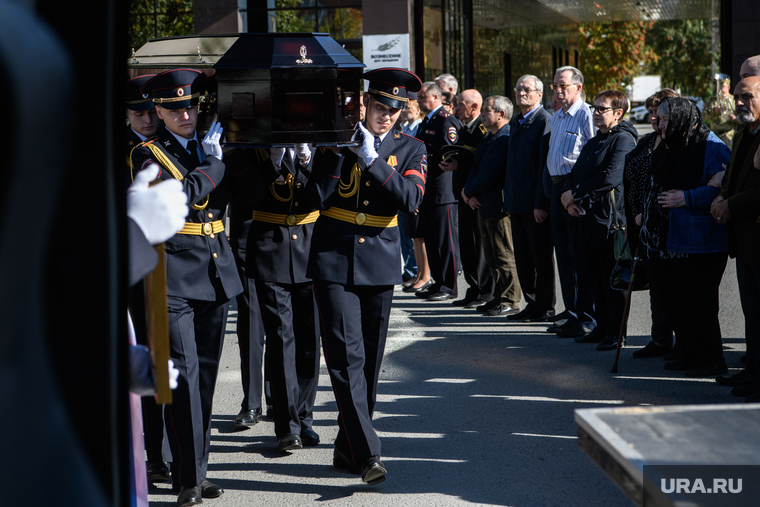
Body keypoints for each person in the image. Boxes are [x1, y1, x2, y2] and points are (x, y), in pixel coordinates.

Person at [306, 67, 426, 485]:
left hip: (378, 259)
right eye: (379, 107)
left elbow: (410, 198)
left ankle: (347, 445)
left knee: (370, 363)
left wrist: (373, 160)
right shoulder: (338, 141)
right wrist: (340, 150)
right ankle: (369, 452)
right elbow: (313, 197)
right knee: (345, 358)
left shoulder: (411, 148)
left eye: (394, 110)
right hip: (332, 256)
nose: (386, 116)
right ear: (366, 104)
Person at [130, 68, 243, 506]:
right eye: (175, 108)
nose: (185, 114)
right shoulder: (148, 153)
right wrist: (215, 164)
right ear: (158, 111)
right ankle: (186, 479)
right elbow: (180, 196)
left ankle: (198, 468)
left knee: (207, 377)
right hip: (173, 275)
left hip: (215, 270)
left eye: (191, 106)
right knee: (183, 376)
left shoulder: (209, 146)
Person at [236, 143, 322, 451]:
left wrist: (307, 158)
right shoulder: (252, 147)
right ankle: (288, 425)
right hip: (269, 248)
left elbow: (323, 194)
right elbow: (250, 196)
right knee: (280, 337)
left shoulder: (319, 145)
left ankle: (305, 417)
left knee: (310, 340)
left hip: (311, 248)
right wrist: (272, 160)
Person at [637, 97, 731, 377]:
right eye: (659, 119)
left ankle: (710, 359)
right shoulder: (671, 144)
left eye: (666, 119)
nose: (660, 125)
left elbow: (723, 188)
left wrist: (686, 198)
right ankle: (690, 352)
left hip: (700, 242)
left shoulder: (709, 145)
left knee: (700, 304)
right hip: (668, 242)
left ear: (681, 119)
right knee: (678, 302)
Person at [560, 90, 637, 350]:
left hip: (610, 221)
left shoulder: (623, 140)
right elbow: (577, 171)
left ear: (618, 112)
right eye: (594, 107)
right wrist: (572, 200)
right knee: (595, 277)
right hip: (587, 217)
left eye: (601, 109)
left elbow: (611, 177)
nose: (595, 112)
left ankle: (616, 332)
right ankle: (602, 326)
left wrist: (577, 194)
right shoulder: (595, 140)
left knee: (612, 279)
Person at [711, 76, 760, 398]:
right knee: (752, 310)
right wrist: (720, 197)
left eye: (747, 96)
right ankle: (753, 370)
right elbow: (733, 174)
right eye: (738, 97)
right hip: (744, 240)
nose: (740, 103)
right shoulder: (744, 134)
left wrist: (731, 204)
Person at [624, 88, 681, 360]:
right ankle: (660, 339)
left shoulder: (679, 144)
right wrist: (636, 212)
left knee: (676, 288)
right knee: (655, 286)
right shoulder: (647, 142)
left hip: (669, 226)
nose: (655, 119)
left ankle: (683, 341)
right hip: (642, 224)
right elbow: (634, 180)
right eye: (651, 113)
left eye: (660, 113)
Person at [545, 66, 596, 338]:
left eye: (563, 85)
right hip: (555, 189)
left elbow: (591, 159)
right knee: (563, 254)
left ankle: (587, 316)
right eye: (555, 85)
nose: (558, 90)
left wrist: (576, 193)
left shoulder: (586, 115)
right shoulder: (557, 117)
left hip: (573, 189)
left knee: (579, 256)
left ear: (578, 87)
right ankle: (573, 312)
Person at [461, 96, 521, 316]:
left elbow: (490, 174)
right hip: (483, 204)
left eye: (487, 111)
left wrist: (469, 192)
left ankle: (510, 300)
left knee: (503, 254)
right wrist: (467, 193)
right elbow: (475, 170)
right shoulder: (488, 138)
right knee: (491, 255)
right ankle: (497, 296)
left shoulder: (505, 138)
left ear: (501, 114)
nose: (483, 115)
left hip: (497, 205)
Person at [504, 75, 557, 322]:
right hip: (516, 201)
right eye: (518, 89)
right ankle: (532, 302)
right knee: (523, 258)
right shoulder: (517, 121)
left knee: (540, 257)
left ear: (539, 94)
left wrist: (540, 203)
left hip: (534, 203)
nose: (521, 93)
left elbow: (541, 168)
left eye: (527, 89)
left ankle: (545, 306)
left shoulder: (543, 120)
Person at [440, 88, 494, 308]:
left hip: (476, 196)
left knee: (480, 245)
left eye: (461, 104)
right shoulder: (463, 130)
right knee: (467, 245)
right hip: (462, 194)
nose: (457, 107)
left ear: (475, 107)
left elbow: (481, 164)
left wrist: (458, 165)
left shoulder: (482, 131)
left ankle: (486, 291)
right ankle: (473, 287)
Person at [414, 80, 463, 301]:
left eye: (422, 97)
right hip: (428, 189)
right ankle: (438, 280)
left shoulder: (446, 120)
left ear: (436, 98)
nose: (418, 100)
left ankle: (449, 285)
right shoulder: (427, 121)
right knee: (432, 239)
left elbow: (450, 154)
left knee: (446, 241)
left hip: (442, 189)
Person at [703, 77, 737, 149]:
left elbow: (742, 118)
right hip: (714, 136)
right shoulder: (712, 100)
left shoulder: (734, 100)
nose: (721, 89)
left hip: (728, 136)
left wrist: (735, 119)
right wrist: (713, 111)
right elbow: (703, 117)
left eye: (723, 86)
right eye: (719, 86)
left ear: (728, 87)